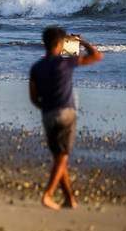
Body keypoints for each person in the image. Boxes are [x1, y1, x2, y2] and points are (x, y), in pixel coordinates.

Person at [28, 26, 103, 210]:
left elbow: (33, 97)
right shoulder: (66, 61)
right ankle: (48, 194)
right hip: (66, 113)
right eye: (63, 43)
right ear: (60, 44)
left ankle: (70, 199)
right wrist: (80, 42)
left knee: (59, 159)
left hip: (48, 115)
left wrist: (45, 108)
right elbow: (97, 56)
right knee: (62, 159)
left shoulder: (36, 67)